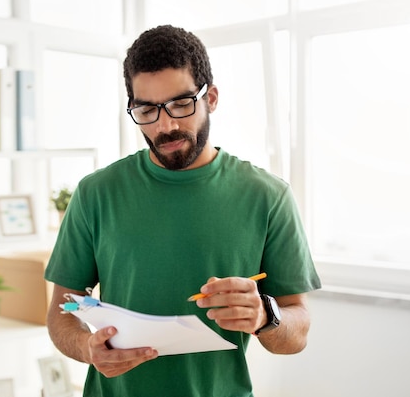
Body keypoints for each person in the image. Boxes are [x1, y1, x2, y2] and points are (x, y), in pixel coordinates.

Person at [45, 24, 321, 397]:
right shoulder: (96, 192)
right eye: (146, 110)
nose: (166, 125)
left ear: (212, 98)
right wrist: (86, 348)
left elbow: (296, 330)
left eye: (181, 103)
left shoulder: (267, 196)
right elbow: (63, 310)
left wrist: (264, 315)